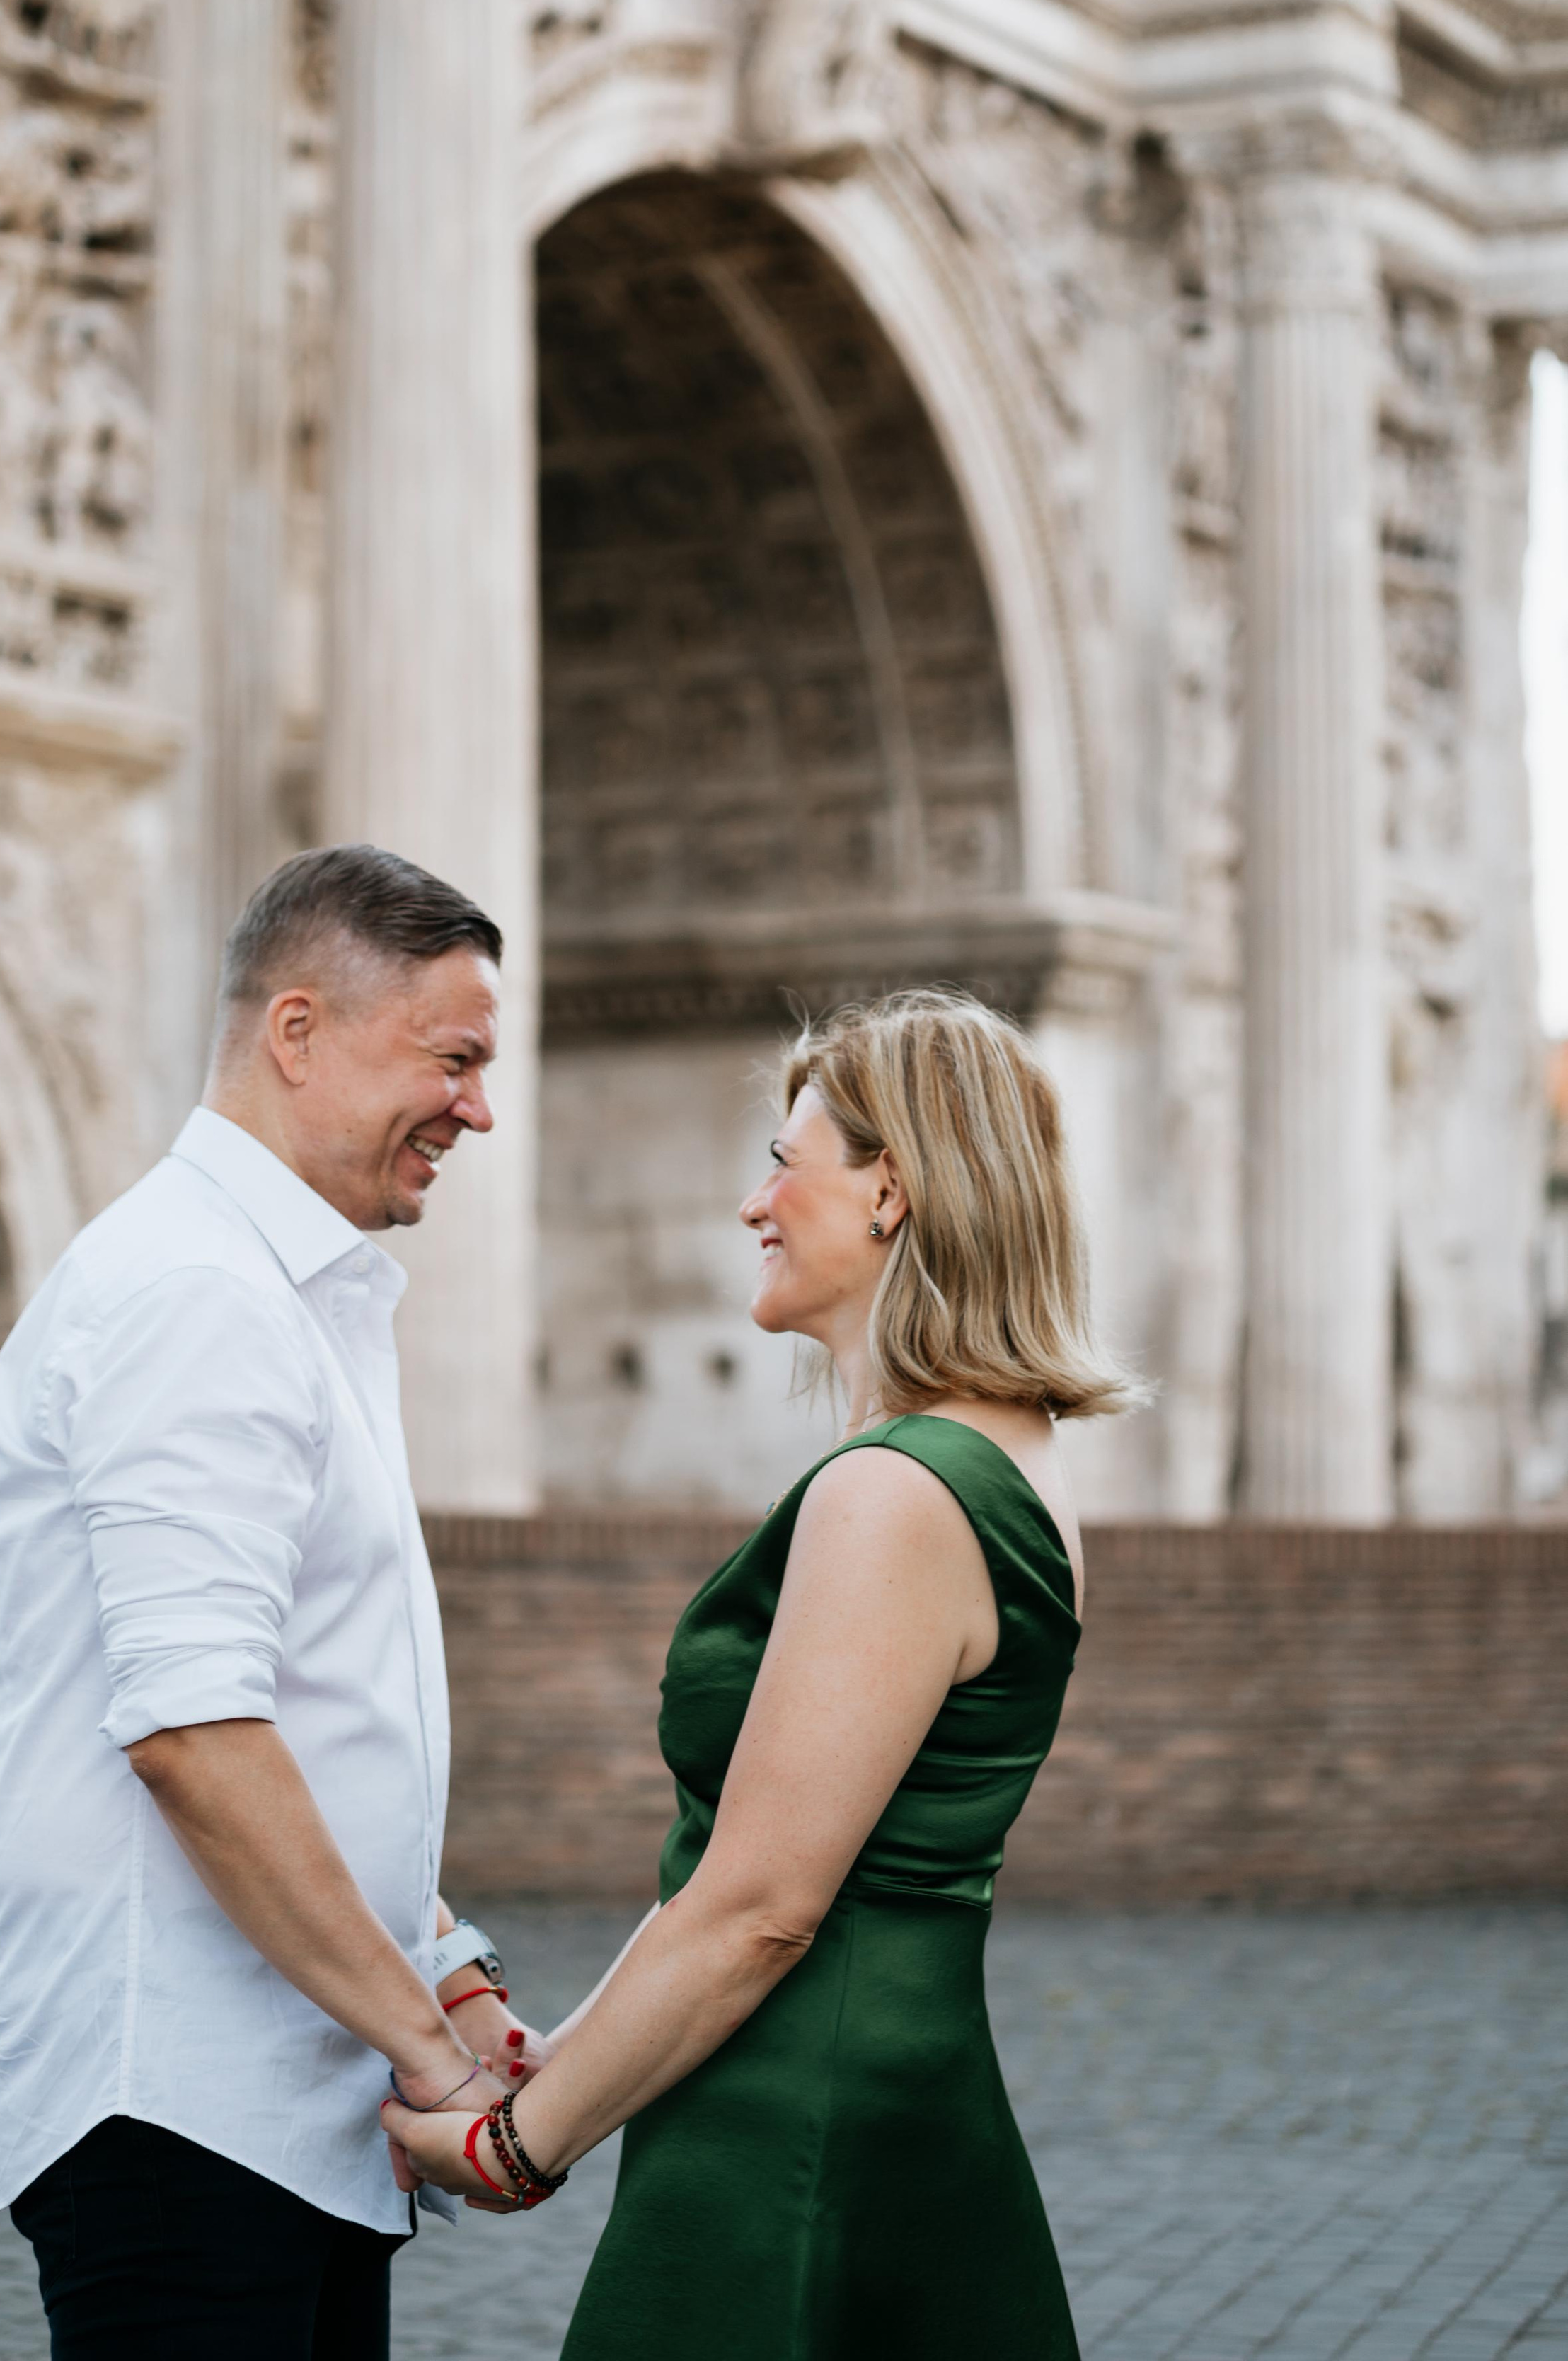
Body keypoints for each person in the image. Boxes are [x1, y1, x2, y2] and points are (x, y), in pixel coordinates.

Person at [384, 987, 1139, 2357]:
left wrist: (515, 2145)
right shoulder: (1008, 1460)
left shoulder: (894, 1494)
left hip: (794, 2112)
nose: (751, 1204)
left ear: (888, 1193)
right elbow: (742, 1877)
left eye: (784, 1163)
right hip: (895, 2083)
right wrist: (579, 2050)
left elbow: (757, 1908)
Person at [0, 844, 550, 2361]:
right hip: (181, 2106)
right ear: (299, 1032)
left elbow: (304, 1714)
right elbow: (195, 1737)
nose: (477, 1108)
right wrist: (429, 2058)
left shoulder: (272, 1290)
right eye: (453, 1059)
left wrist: (447, 1972)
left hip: (285, 2098)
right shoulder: (193, 1297)